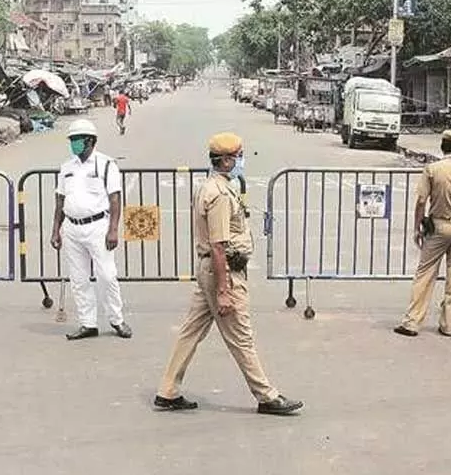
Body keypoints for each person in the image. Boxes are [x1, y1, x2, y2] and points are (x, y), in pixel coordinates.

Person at [154, 132, 303, 416]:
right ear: (224, 161)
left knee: (190, 332)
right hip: (223, 272)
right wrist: (224, 291)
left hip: (210, 270)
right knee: (241, 337)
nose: (241, 161)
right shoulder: (220, 195)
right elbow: (219, 245)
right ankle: (266, 395)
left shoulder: (210, 186)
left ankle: (168, 390)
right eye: (237, 156)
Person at [50, 118, 132, 341]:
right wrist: (55, 230)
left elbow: (115, 198)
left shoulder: (105, 164)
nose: (74, 143)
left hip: (97, 226)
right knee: (79, 279)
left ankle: (116, 319)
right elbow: (60, 200)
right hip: (72, 228)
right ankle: (88, 323)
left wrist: (113, 229)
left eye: (78, 139)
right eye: (72, 139)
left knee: (107, 275)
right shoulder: (66, 167)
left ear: (90, 140)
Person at [395, 129, 451, 338]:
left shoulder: (432, 169)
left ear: (442, 147)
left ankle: (413, 321)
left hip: (438, 226)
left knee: (425, 274)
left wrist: (416, 227)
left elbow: (421, 201)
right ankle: (449, 324)